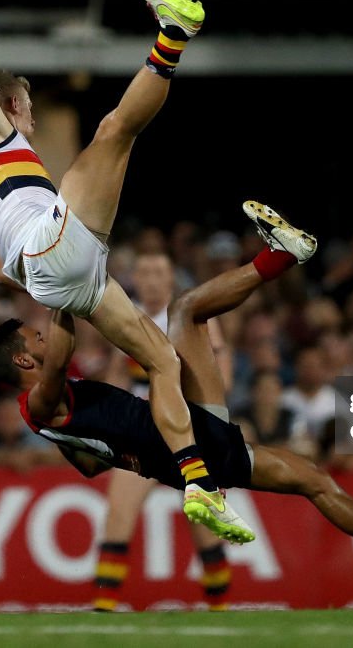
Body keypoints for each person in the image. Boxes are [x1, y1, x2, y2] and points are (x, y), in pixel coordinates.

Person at [0, 0, 264, 541]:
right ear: (8, 103)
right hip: (54, 251)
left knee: (162, 359)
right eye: (27, 110)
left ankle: (198, 482)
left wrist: (59, 290)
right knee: (113, 131)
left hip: (57, 272)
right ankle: (172, 35)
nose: (30, 123)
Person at [0, 202, 353, 588]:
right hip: (185, 444)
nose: (45, 337)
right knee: (187, 312)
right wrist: (57, 281)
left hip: (183, 440)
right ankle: (281, 257)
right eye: (36, 339)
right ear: (26, 362)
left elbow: (90, 466)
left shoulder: (47, 417)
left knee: (314, 479)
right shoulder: (40, 401)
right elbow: (64, 346)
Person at [93, 252, 234, 612]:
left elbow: (222, 373)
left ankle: (220, 609)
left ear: (171, 278)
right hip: (141, 432)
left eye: (159, 272)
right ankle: (103, 610)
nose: (152, 279)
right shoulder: (123, 316)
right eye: (144, 272)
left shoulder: (186, 318)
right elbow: (116, 376)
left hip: (186, 432)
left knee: (203, 523)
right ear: (135, 278)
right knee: (118, 515)